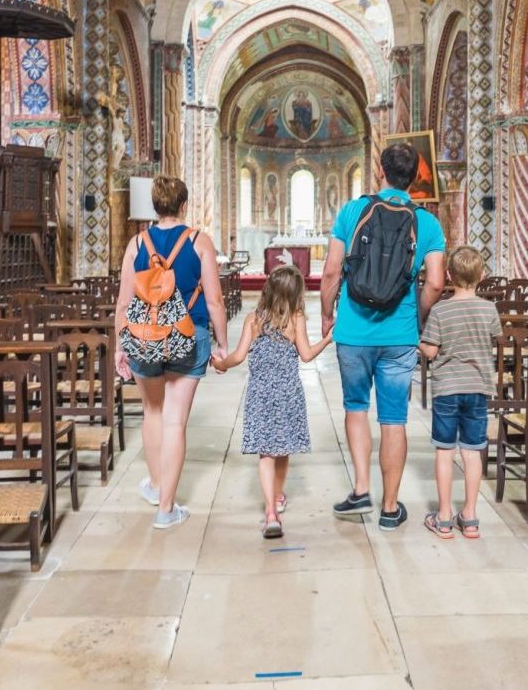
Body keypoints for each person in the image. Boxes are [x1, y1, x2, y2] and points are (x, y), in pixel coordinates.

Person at [320, 140, 446, 530]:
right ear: (416, 176)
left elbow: (330, 272)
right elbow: (437, 283)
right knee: (394, 419)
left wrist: (327, 315)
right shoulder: (426, 221)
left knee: (356, 407)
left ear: (380, 171)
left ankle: (361, 489)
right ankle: (390, 508)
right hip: (399, 334)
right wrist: (418, 316)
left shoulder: (353, 210)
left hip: (354, 331)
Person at [114, 175, 228, 530]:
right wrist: (222, 344)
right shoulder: (200, 241)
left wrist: (121, 345)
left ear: (155, 206)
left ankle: (157, 485)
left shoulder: (136, 244)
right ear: (184, 205)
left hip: (144, 337)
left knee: (153, 412)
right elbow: (214, 299)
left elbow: (123, 303)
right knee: (175, 420)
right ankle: (166, 509)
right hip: (188, 336)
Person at [212, 265, 331, 539]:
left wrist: (221, 364)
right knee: (283, 448)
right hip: (288, 393)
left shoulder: (254, 320)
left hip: (261, 393)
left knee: (266, 452)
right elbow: (306, 355)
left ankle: (270, 513)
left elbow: (239, 356)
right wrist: (327, 340)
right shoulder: (296, 318)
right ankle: (277, 497)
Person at [417, 246, 499, 539]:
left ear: (449, 275)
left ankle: (443, 517)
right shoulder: (489, 309)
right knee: (472, 452)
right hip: (477, 388)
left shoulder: (440, 310)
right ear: (482, 276)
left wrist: (417, 342)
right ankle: (471, 515)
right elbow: (494, 337)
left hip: (447, 389)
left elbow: (432, 350)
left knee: (444, 451)